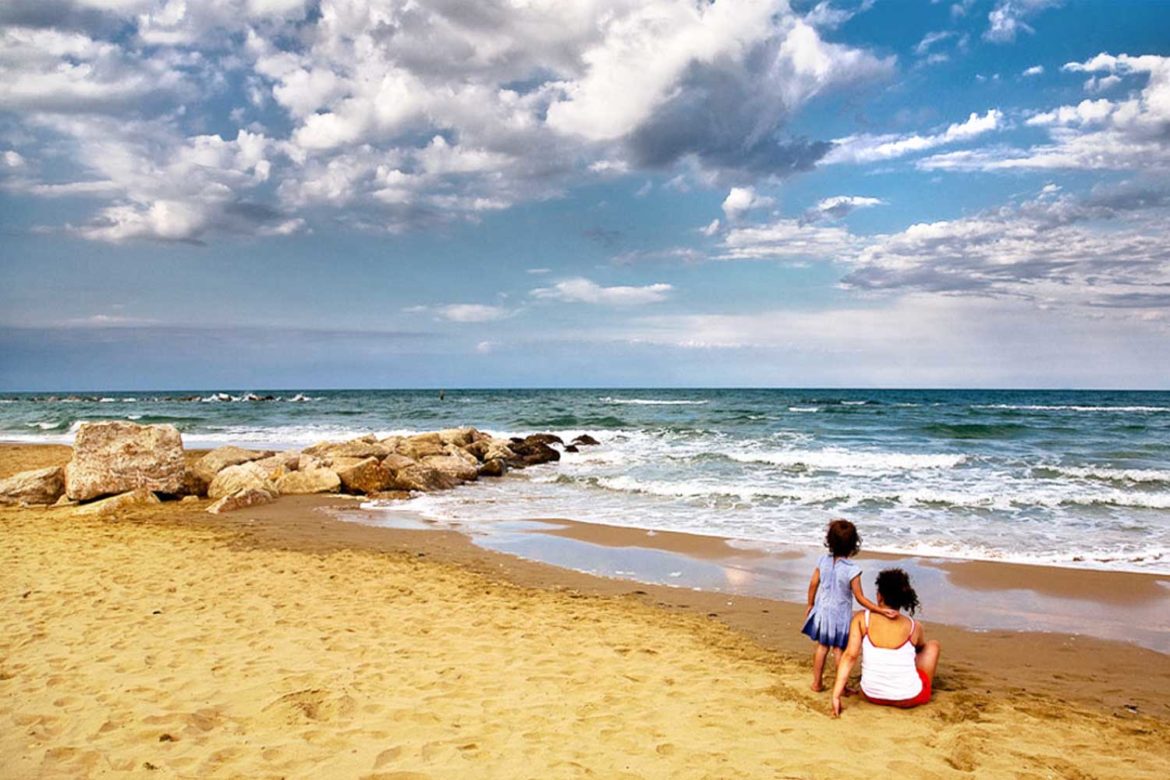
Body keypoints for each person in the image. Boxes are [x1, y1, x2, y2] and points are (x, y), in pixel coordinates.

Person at [830, 567, 942, 717]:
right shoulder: (914, 626)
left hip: (871, 695)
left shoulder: (862, 619)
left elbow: (850, 656)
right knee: (932, 646)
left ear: (879, 597)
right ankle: (912, 683)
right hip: (910, 698)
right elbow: (921, 648)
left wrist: (836, 695)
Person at [801, 519, 896, 692]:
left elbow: (813, 584)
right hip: (839, 615)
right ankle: (842, 688)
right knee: (839, 650)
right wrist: (879, 609)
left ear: (829, 541)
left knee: (822, 647)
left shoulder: (823, 561)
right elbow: (860, 597)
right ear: (853, 544)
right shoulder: (852, 569)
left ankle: (817, 683)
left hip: (822, 611)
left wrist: (810, 603)